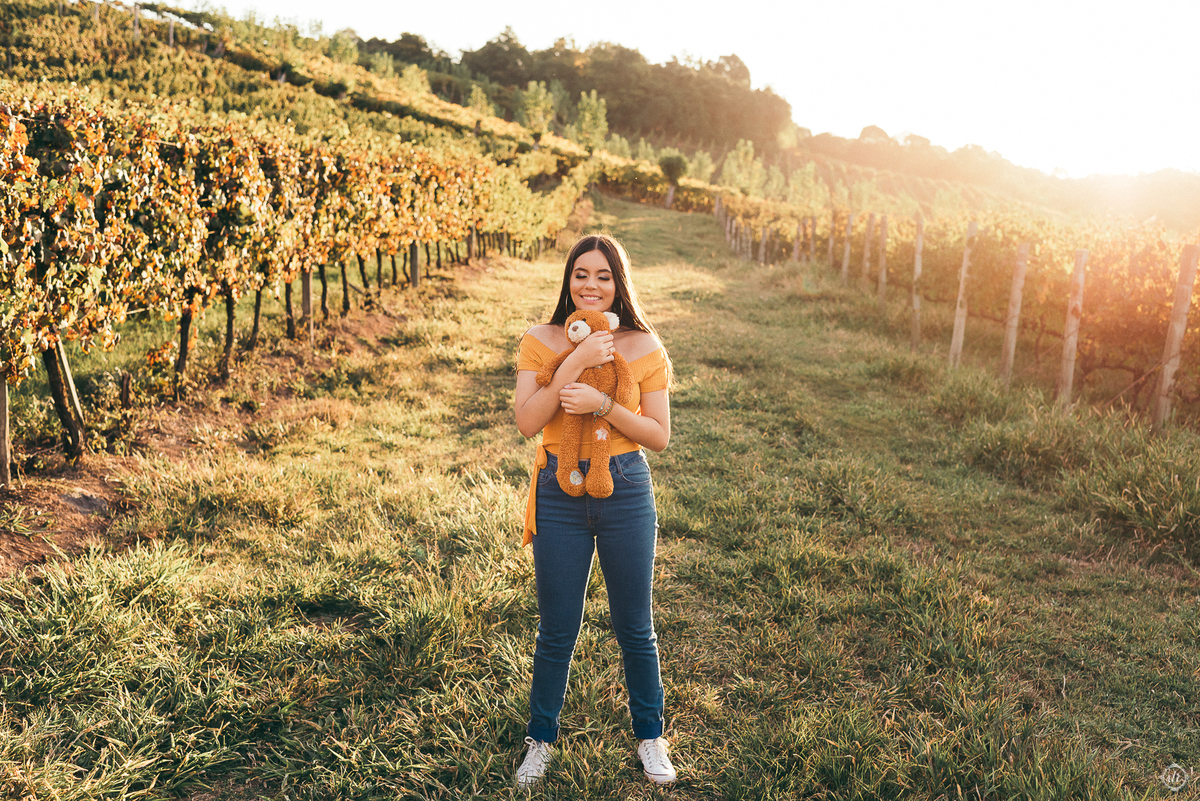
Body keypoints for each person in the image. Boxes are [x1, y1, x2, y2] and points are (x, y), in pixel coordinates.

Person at [512, 234, 676, 788]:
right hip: (558, 490)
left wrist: (604, 404)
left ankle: (650, 736)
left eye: (603, 276)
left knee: (635, 626)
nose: (590, 285)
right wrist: (576, 362)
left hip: (624, 487)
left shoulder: (643, 345)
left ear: (618, 283)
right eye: (581, 273)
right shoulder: (541, 339)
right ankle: (540, 741)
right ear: (568, 279)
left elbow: (658, 435)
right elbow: (528, 421)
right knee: (557, 628)